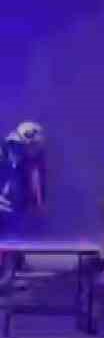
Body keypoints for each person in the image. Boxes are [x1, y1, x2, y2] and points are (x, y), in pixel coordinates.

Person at [0, 121, 46, 285]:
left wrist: (38, 202)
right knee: (9, 236)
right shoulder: (7, 152)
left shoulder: (28, 157)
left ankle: (11, 270)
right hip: (7, 203)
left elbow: (34, 178)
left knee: (13, 236)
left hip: (14, 203)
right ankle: (7, 274)